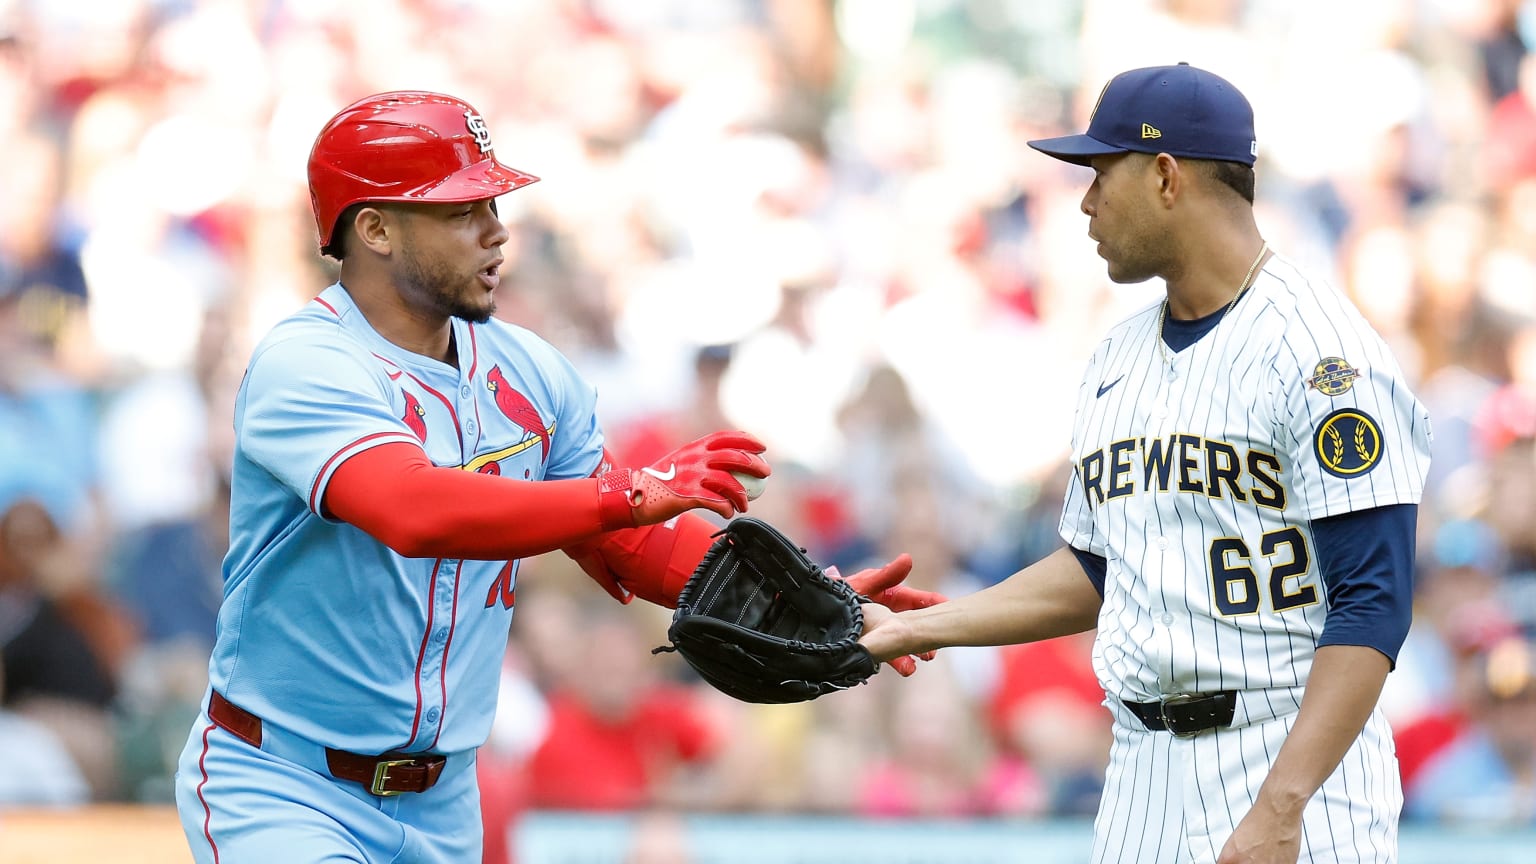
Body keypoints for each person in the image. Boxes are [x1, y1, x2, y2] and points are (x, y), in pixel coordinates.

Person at [172, 90, 921, 864]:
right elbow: (412, 509)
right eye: (462, 209)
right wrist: (628, 495)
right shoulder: (308, 363)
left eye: (492, 202)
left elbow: (629, 544)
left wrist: (809, 601)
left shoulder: (530, 371)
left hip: (445, 802)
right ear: (375, 228)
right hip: (285, 783)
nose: (497, 230)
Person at [861, 63, 1433, 864]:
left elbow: (1374, 603)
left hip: (1292, 761)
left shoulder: (1321, 354)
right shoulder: (1115, 357)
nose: (1086, 203)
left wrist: (1282, 805)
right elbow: (1099, 569)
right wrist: (918, 628)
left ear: (1166, 175)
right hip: (1141, 771)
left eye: (1100, 174)